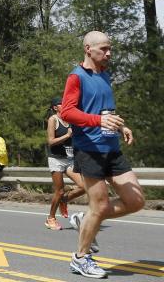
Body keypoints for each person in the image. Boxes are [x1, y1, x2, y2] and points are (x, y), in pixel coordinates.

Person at [60, 31, 145, 279]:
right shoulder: (76, 77)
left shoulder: (105, 75)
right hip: (89, 150)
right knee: (100, 205)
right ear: (88, 48)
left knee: (136, 201)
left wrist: (121, 126)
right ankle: (81, 258)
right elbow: (67, 112)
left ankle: (84, 220)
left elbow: (106, 111)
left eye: (110, 49)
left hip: (112, 148)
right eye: (104, 49)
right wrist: (98, 120)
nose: (109, 53)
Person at [45, 96, 86, 230]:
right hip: (56, 159)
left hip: (69, 160)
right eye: (61, 103)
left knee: (84, 186)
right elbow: (51, 141)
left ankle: (65, 200)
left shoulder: (70, 120)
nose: (65, 104)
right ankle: (50, 218)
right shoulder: (53, 120)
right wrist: (67, 136)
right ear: (55, 107)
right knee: (60, 191)